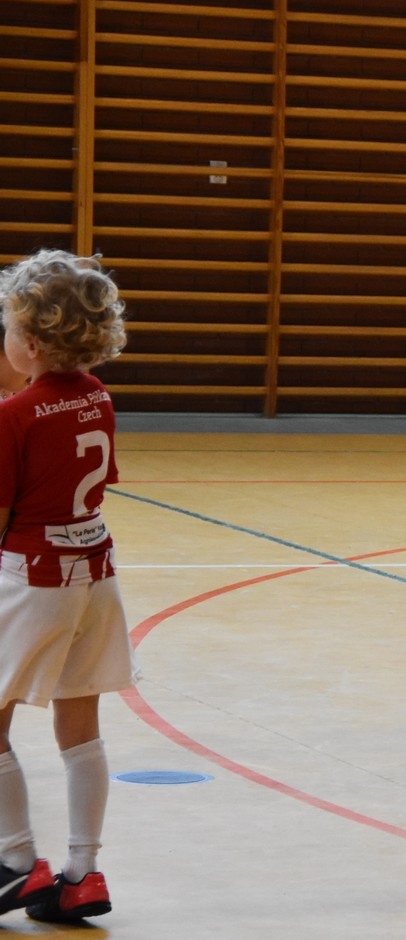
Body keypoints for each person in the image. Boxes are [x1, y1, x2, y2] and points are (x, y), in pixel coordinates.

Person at [0, 250, 136, 922]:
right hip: (96, 574)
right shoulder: (98, 396)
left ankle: (16, 862)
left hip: (35, 577)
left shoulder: (14, 416)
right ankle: (83, 873)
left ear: (29, 342)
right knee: (80, 724)